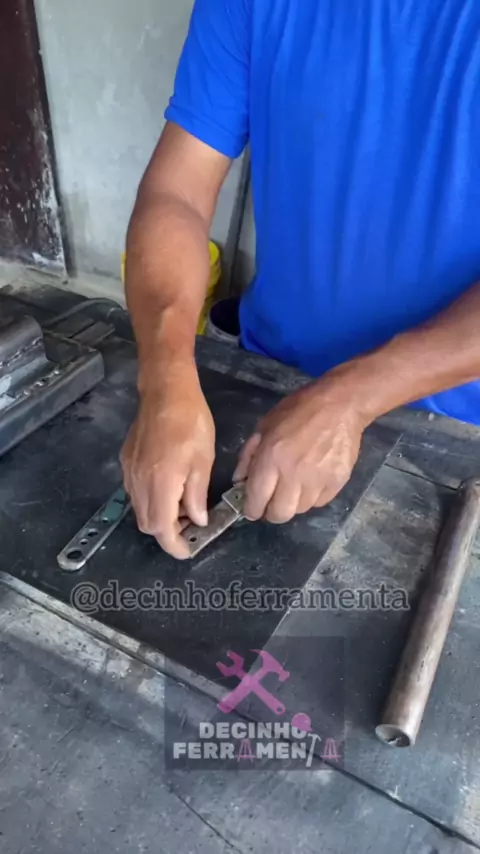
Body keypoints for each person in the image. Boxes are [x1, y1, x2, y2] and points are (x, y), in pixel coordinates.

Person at [121, 0, 480, 559]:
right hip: (268, 382)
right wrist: (165, 375)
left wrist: (355, 397)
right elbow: (177, 194)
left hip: (455, 432)